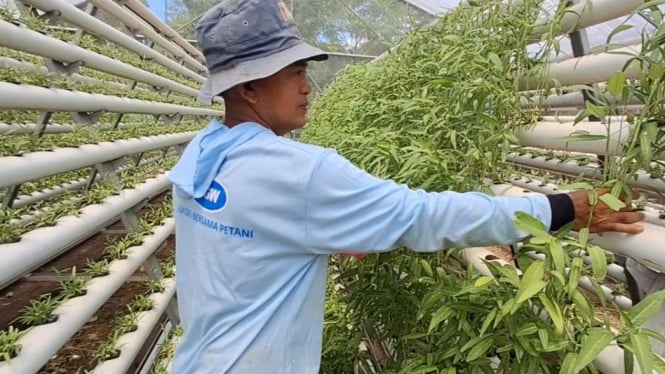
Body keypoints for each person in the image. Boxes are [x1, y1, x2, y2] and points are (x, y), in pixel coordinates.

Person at [167, 0, 645, 372]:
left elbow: (241, 249)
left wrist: (319, 233)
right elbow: (423, 215)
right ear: (249, 87)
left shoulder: (203, 153)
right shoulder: (297, 171)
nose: (308, 86)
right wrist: (561, 208)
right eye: (294, 73)